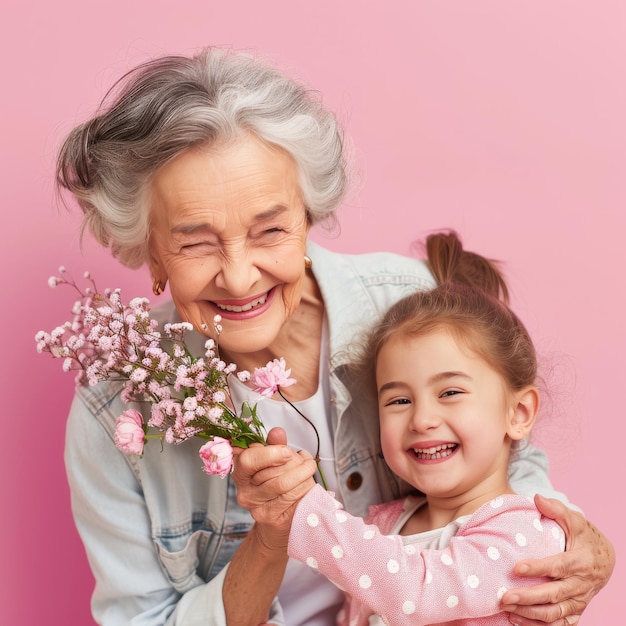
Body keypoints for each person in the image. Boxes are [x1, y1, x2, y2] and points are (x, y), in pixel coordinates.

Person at [55, 46, 614, 626]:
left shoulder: (402, 304)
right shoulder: (118, 408)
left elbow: (509, 460)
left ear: (308, 216)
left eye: (270, 230)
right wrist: (274, 535)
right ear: (149, 251)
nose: (241, 275)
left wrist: (576, 543)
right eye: (196, 243)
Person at [281, 230, 565, 624]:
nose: (422, 419)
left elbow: (416, 592)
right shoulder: (383, 524)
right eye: (399, 400)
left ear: (517, 413)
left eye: (449, 392)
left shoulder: (528, 533)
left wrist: (303, 509)